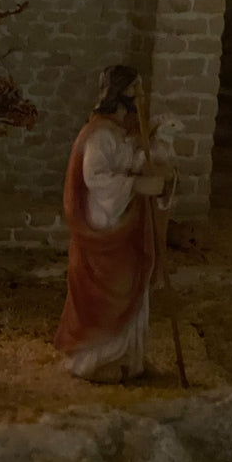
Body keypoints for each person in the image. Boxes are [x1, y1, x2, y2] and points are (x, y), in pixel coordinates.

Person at [54, 65, 168, 383]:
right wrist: (137, 185)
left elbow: (126, 162)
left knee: (133, 284)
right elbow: (95, 177)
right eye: (136, 89)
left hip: (124, 219)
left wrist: (149, 156)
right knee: (109, 291)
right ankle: (95, 361)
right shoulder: (99, 135)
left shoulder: (118, 133)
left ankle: (129, 358)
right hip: (105, 223)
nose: (141, 96)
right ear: (120, 93)